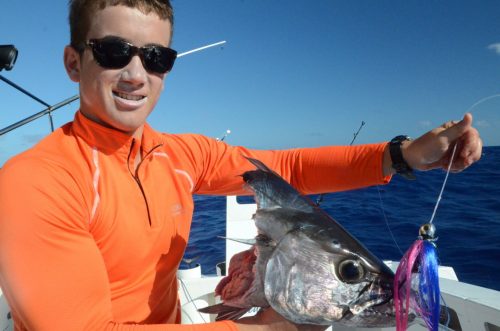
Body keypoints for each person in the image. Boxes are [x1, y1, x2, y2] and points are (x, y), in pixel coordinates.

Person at [0, 1, 482, 330]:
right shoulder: (35, 183)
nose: (135, 74)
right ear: (72, 62)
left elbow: (287, 167)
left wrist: (403, 155)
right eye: (113, 51)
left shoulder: (179, 155)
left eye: (155, 57)